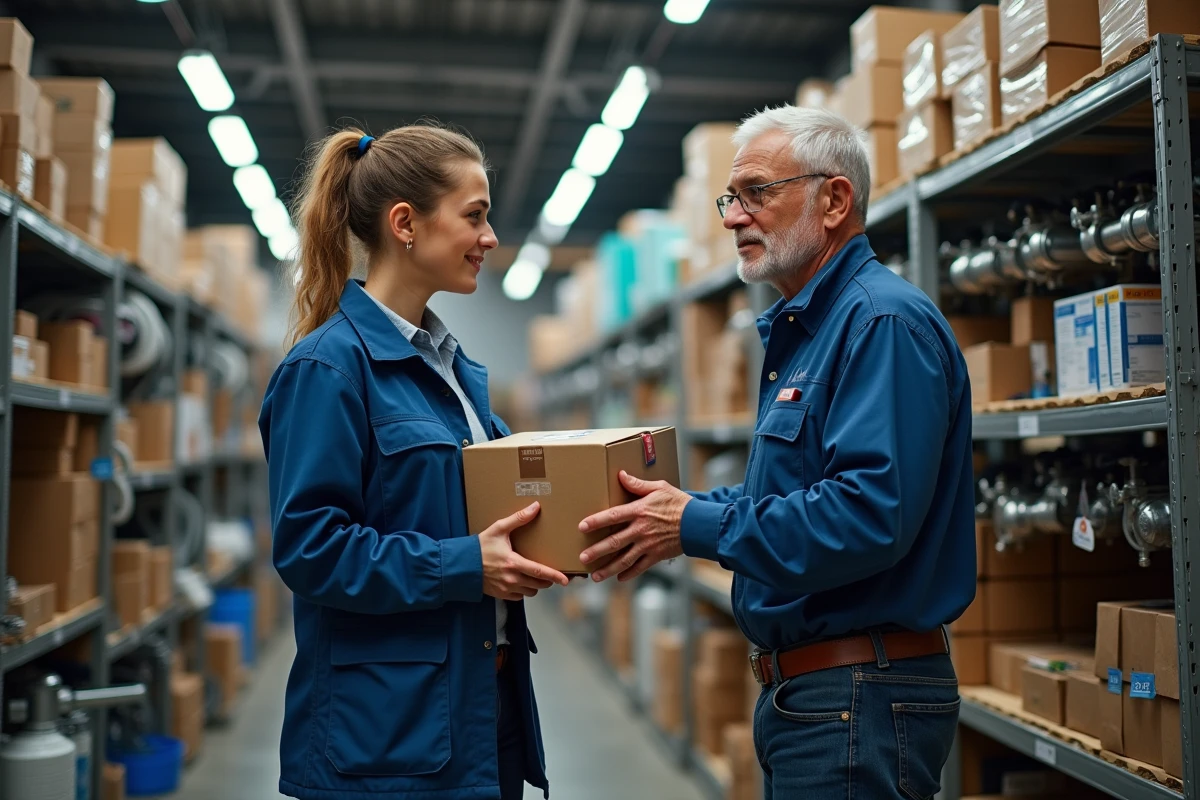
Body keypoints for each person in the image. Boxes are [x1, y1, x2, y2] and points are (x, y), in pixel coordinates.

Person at [576, 105, 976, 798]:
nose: (733, 217)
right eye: (732, 198)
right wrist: (677, 518)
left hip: (859, 698)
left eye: (757, 193)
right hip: (824, 697)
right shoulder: (812, 330)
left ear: (834, 200)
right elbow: (789, 498)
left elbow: (867, 516)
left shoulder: (879, 322)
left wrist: (698, 525)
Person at [259, 124, 569, 800]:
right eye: (475, 215)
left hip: (484, 709)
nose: (490, 237)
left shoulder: (455, 373)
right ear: (405, 223)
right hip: (388, 739)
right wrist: (466, 565)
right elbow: (311, 549)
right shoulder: (329, 368)